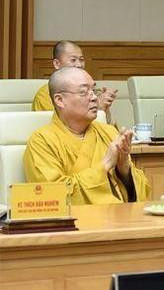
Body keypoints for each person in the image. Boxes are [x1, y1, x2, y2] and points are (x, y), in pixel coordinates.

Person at [24, 67, 150, 205]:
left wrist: (124, 167)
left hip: (118, 218)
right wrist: (105, 164)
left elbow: (138, 194)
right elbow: (52, 197)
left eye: (94, 90)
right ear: (60, 100)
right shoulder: (41, 141)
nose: (94, 97)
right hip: (74, 224)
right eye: (84, 92)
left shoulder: (108, 132)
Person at [32, 41, 117, 122]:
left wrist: (105, 109)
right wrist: (98, 109)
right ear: (57, 64)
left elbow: (106, 127)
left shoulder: (91, 91)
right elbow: (65, 127)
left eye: (81, 59)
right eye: (73, 60)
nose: (79, 65)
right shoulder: (45, 95)